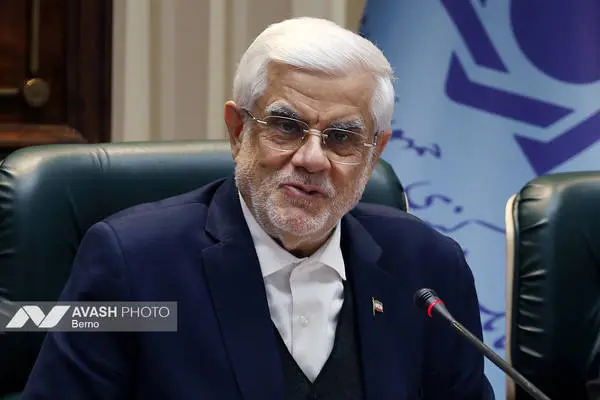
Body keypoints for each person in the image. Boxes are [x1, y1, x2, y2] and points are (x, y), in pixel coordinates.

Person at [22, 17, 493, 399]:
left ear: (374, 155)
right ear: (237, 131)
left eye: (341, 138)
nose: (311, 159)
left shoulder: (428, 270)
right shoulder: (134, 268)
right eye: (286, 127)